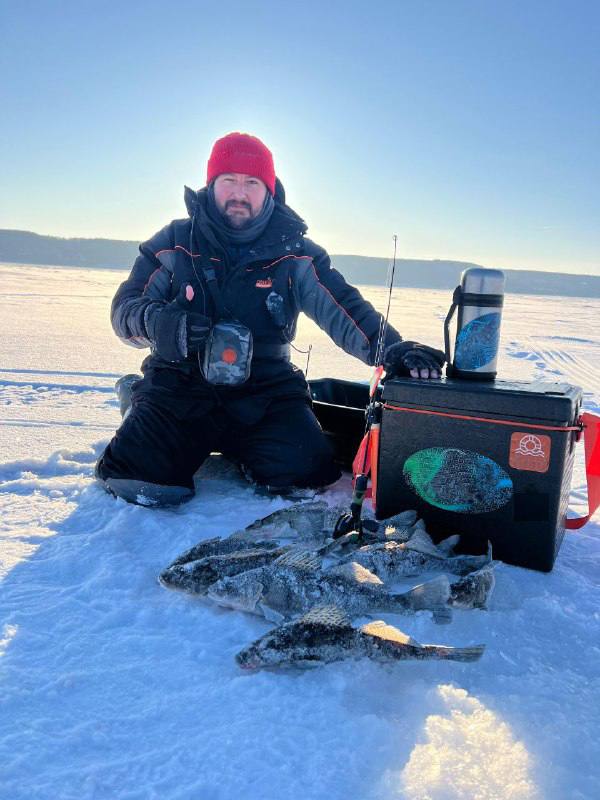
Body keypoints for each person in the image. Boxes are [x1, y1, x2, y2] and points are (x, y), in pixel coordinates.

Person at [96, 132, 445, 506]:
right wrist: (160, 324)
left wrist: (392, 350)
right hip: (180, 385)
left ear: (269, 190)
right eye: (228, 180)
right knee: (141, 478)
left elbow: (344, 309)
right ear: (211, 185)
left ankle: (241, 447)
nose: (239, 193)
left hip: (265, 390)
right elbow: (125, 308)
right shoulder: (174, 241)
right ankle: (137, 401)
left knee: (306, 472)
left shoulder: (296, 253)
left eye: (252, 182)